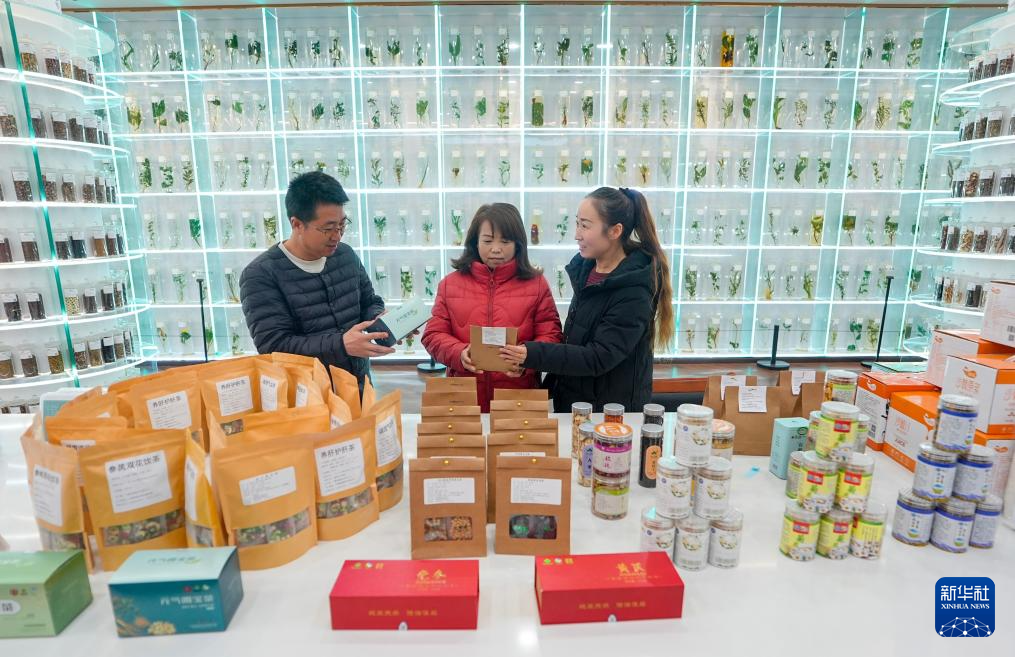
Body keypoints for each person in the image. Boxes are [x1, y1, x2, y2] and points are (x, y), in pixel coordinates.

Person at [499, 187, 674, 412]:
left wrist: (532, 354)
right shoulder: (587, 271)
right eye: (576, 223)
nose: (577, 234)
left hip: (610, 414)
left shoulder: (634, 290)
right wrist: (530, 363)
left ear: (615, 231)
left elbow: (598, 357)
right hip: (577, 405)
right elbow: (574, 344)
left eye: (585, 226)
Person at [240, 171, 394, 388]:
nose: (337, 235)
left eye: (342, 225)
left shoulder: (345, 255)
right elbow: (274, 346)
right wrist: (341, 345)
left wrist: (384, 322)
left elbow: (369, 302)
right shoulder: (261, 275)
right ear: (297, 224)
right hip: (306, 394)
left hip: (357, 384)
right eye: (328, 228)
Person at [422, 203, 562, 411]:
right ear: (475, 242)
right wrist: (459, 353)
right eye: (487, 241)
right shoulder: (450, 284)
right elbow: (433, 335)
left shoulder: (537, 284)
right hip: (463, 398)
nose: (496, 249)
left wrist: (527, 358)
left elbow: (552, 335)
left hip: (518, 399)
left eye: (505, 241)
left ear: (518, 244)